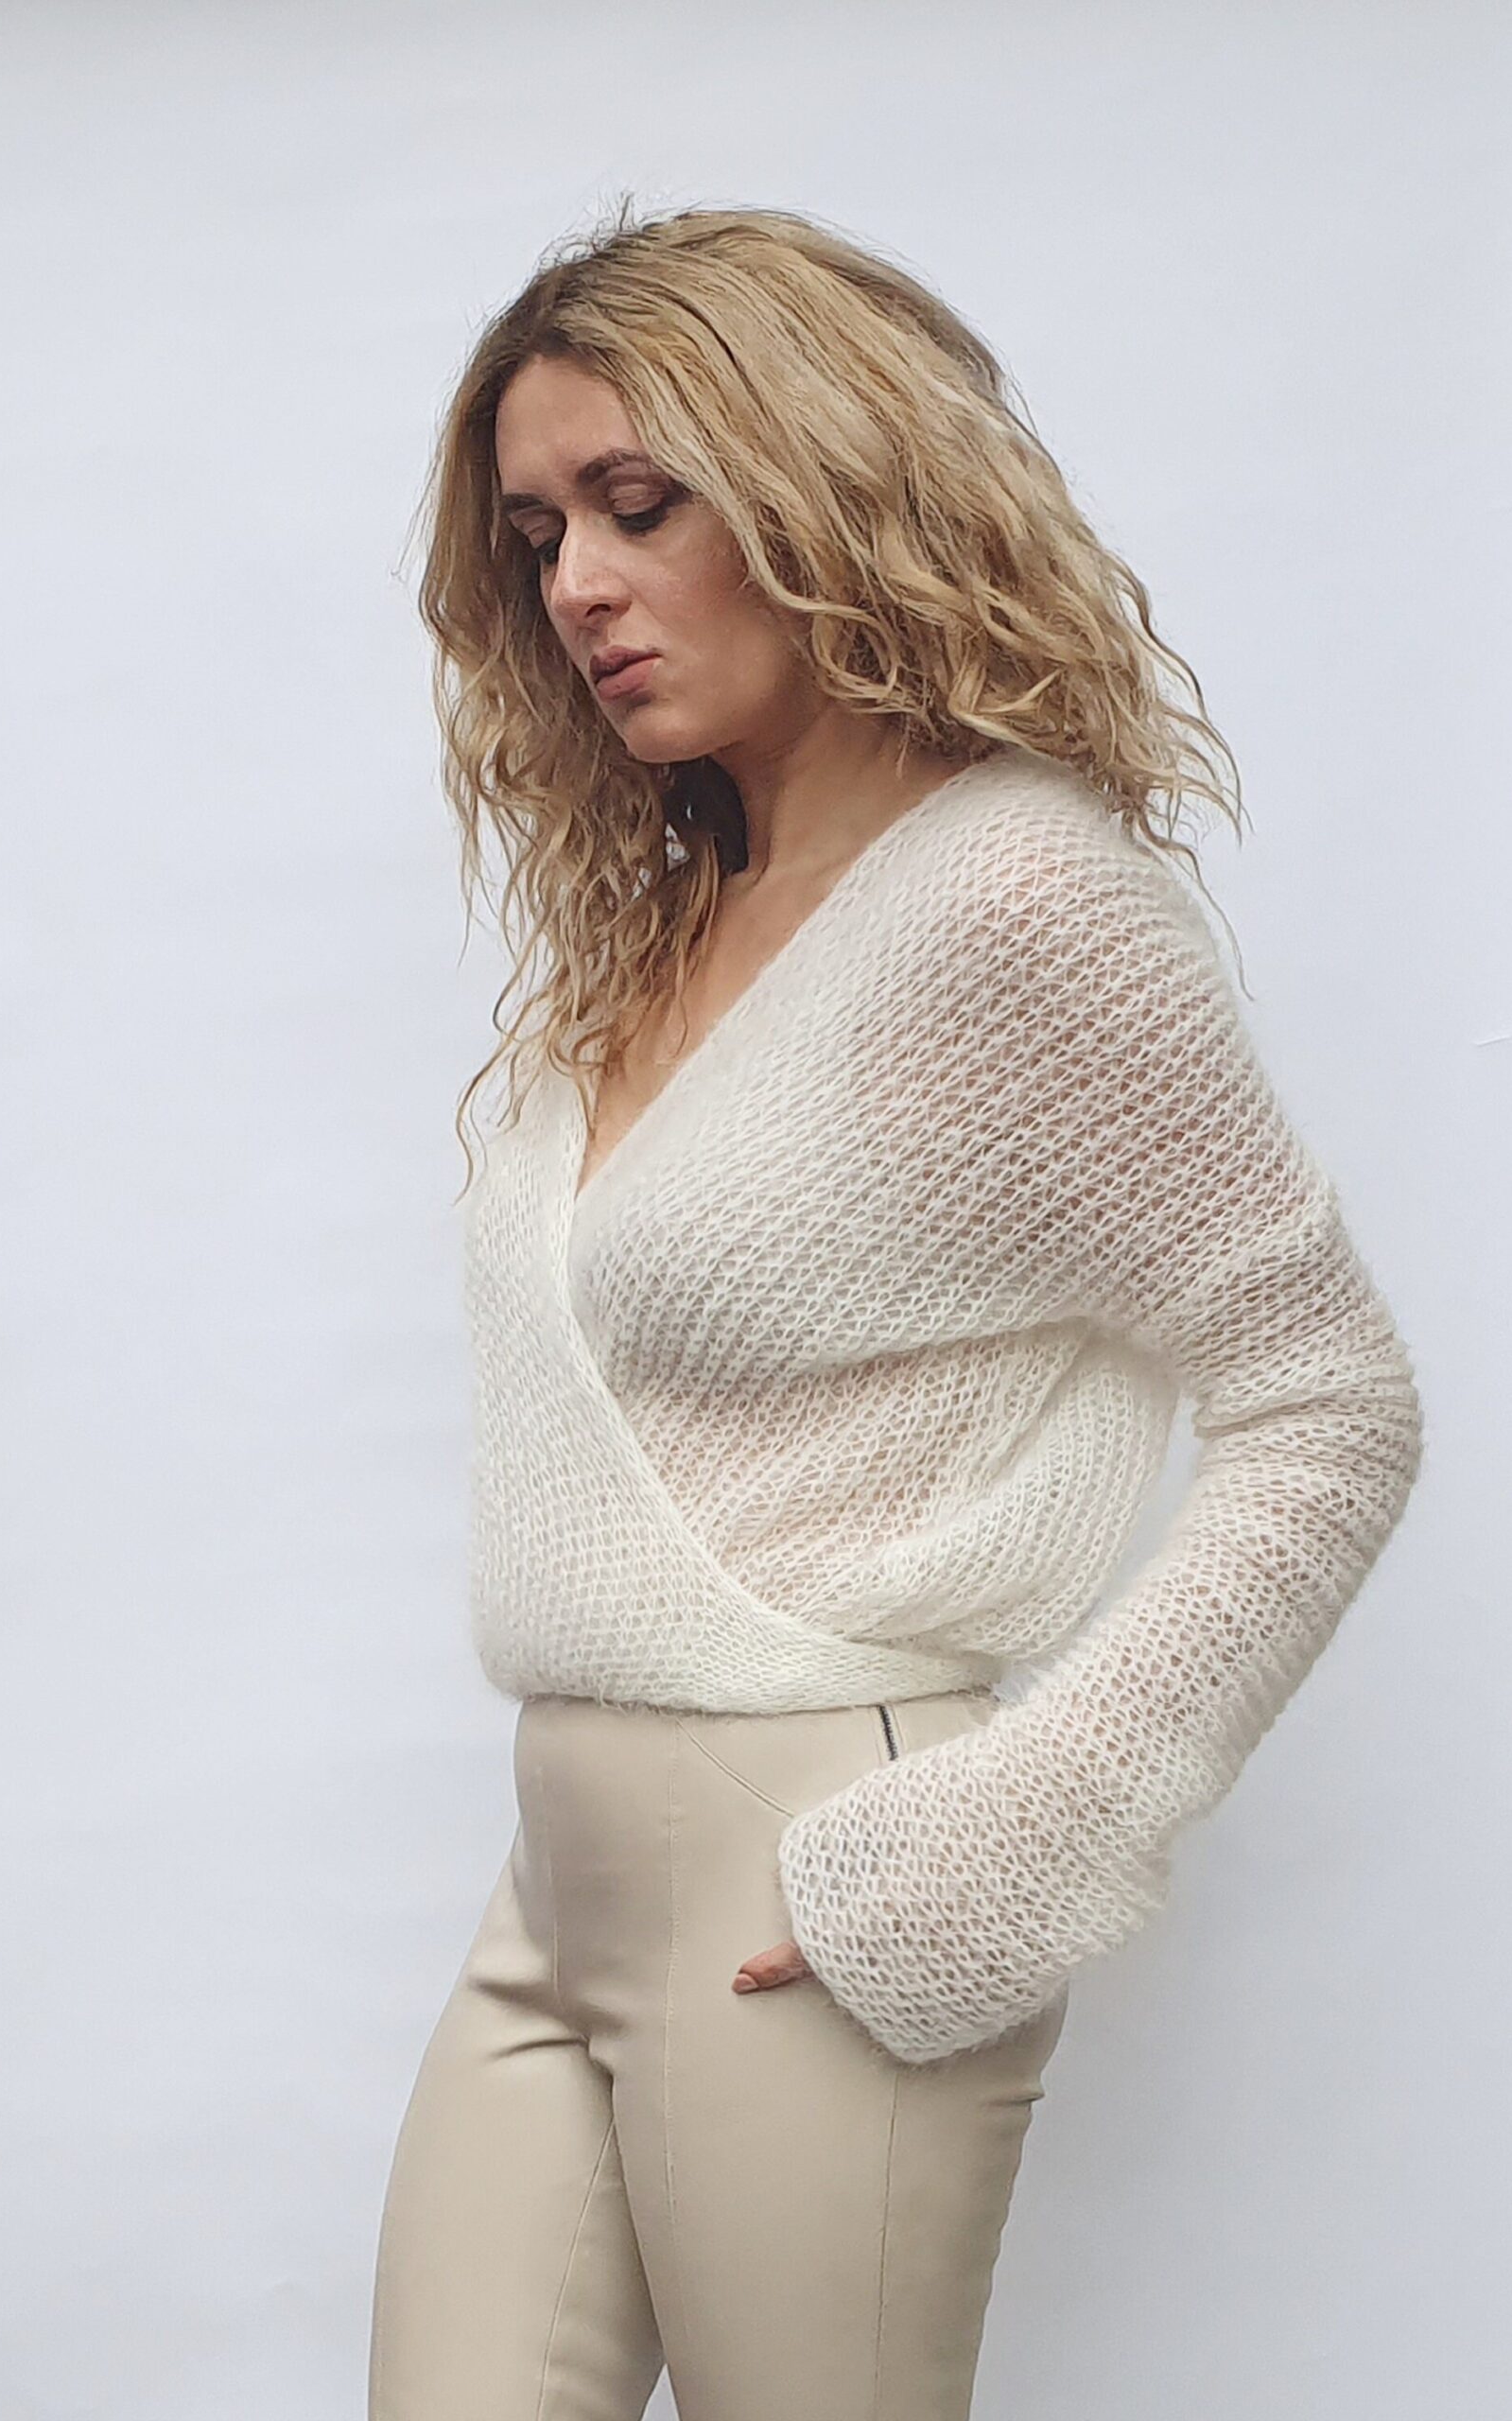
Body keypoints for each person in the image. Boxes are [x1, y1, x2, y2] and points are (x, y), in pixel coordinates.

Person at [366, 200, 1424, 2421]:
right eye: (539, 533)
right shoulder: (667, 917)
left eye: (639, 504)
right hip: (557, 1873)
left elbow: (1328, 1399)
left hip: (825, 1861)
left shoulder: (1017, 897)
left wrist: (1018, 1831)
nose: (577, 585)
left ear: (821, 478)